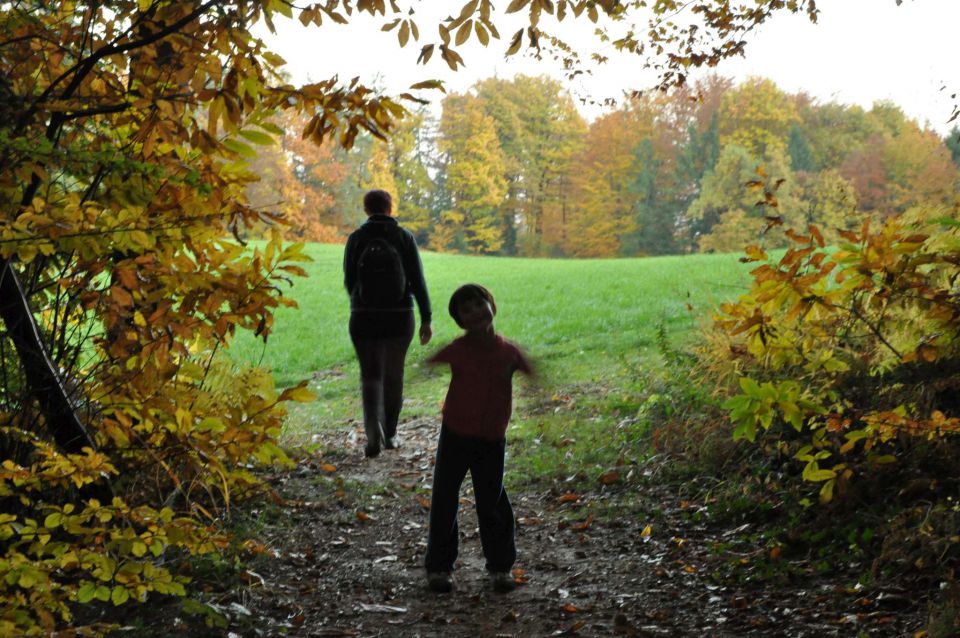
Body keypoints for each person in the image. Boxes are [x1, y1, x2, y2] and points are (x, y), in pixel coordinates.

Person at [423, 283, 534, 594]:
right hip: (456, 434)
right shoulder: (457, 350)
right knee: (445, 497)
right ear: (460, 321)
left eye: (478, 303)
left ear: (492, 305)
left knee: (492, 501)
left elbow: (532, 372)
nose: (474, 312)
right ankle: (439, 568)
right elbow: (429, 363)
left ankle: (500, 568)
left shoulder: (509, 352)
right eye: (465, 310)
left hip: (491, 439)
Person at [343, 189, 432, 458]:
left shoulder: (357, 238)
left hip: (364, 317)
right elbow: (417, 280)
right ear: (390, 207)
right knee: (394, 376)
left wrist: (362, 301)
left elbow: (349, 280)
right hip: (400, 316)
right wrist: (426, 318)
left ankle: (372, 436)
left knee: (370, 377)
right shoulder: (403, 237)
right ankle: (390, 434)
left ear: (367, 209)